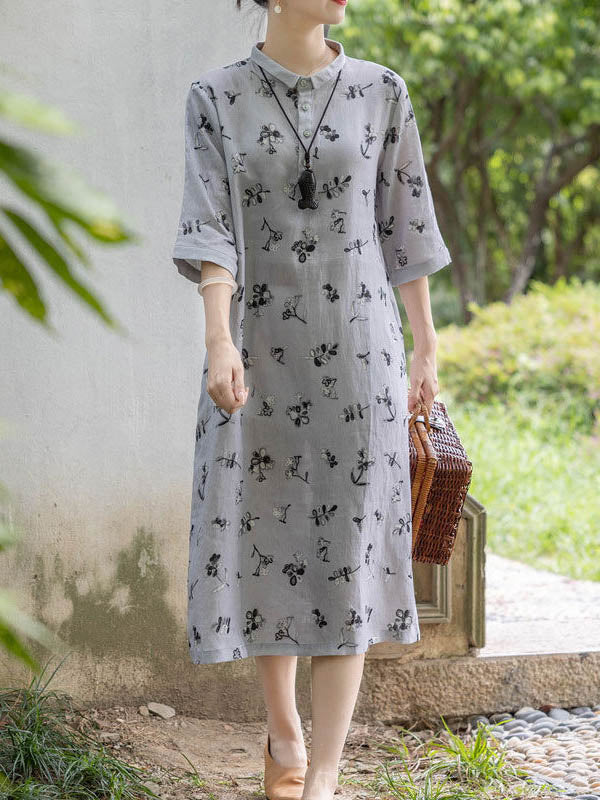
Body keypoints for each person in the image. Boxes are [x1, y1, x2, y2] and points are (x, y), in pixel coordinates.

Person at [171, 2, 452, 799]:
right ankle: (283, 732)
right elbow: (210, 230)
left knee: (349, 552)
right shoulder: (216, 96)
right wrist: (217, 340)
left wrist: (425, 342)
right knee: (264, 533)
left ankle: (322, 773)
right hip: (259, 352)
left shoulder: (380, 90)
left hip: (360, 353)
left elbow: (406, 221)